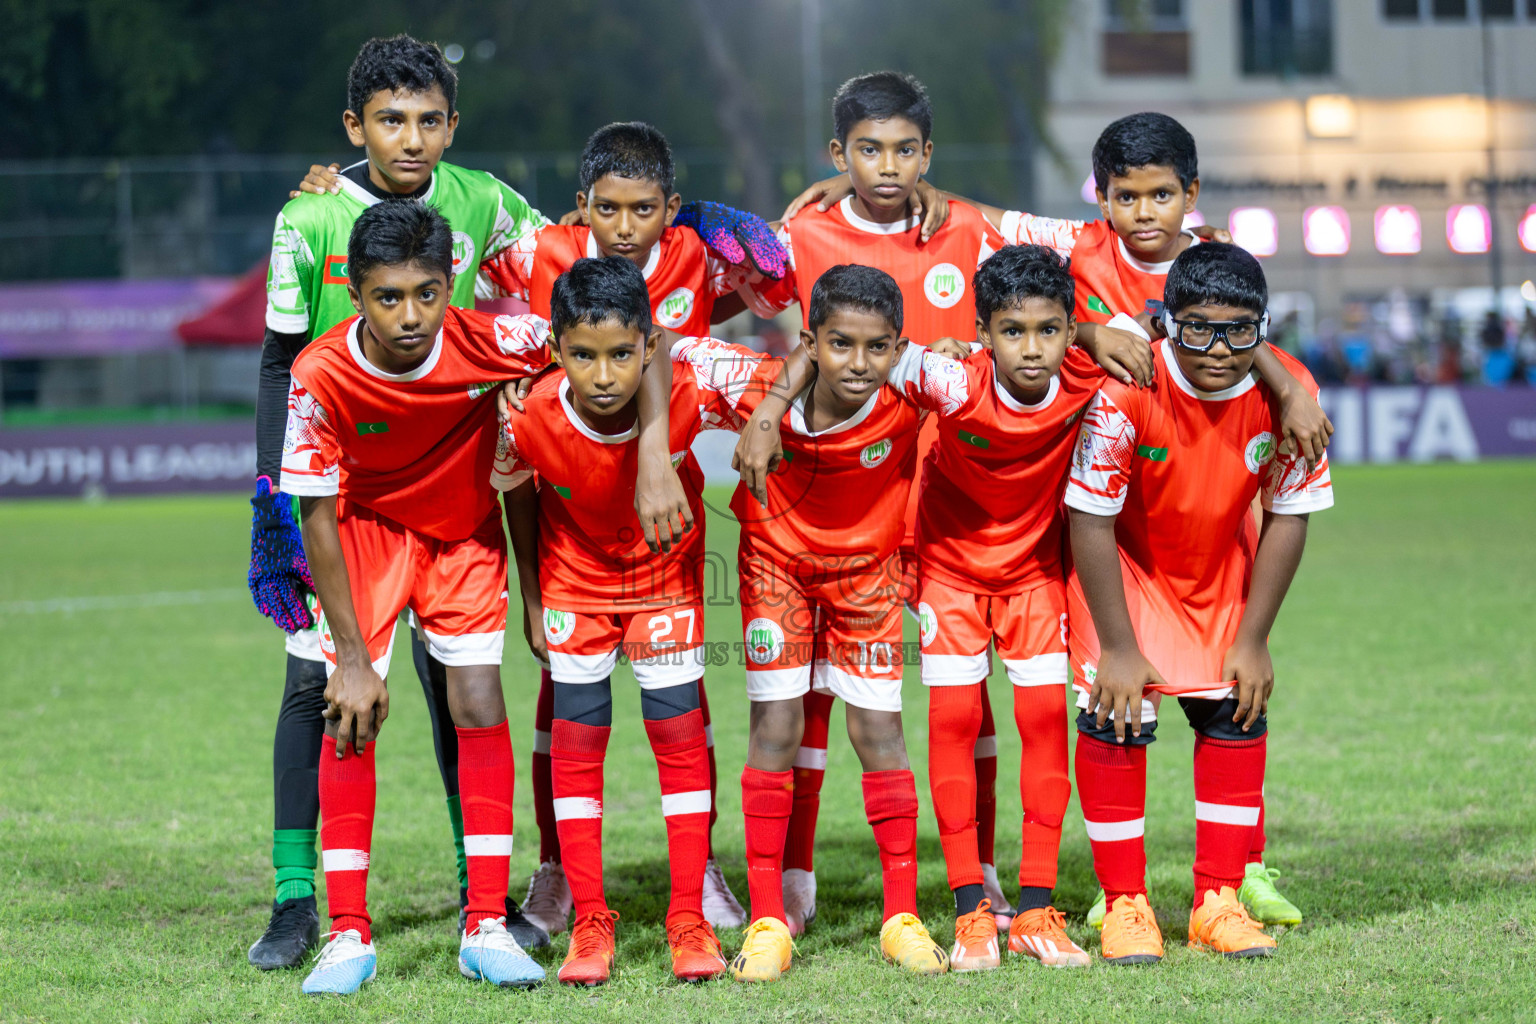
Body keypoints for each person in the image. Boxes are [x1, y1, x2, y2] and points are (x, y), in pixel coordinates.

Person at [791, 110, 1329, 927]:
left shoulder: (1215, 259)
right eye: (1127, 197)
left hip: (1195, 511)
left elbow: (1229, 325)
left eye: (1162, 197)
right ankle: (1087, 894)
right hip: (1087, 513)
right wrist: (858, 187)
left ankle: (1235, 877)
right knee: (1070, 708)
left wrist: (1284, 381)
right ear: (1102, 198)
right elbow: (979, 218)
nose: (1146, 214)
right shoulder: (1078, 245)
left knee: (1226, 699)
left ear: (1190, 195)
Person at [246, 33, 555, 969]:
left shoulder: (487, 203)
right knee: (323, 686)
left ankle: (482, 897)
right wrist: (273, 491)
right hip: (338, 486)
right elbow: (277, 361)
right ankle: (303, 902)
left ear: (451, 126)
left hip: (450, 486)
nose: (411, 139)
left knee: (457, 686)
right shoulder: (308, 218)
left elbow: (575, 270)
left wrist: (681, 221)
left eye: (428, 121)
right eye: (390, 120)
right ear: (356, 127)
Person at [734, 71, 1021, 932]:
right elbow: (696, 276)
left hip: (953, 498)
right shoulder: (803, 229)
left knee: (964, 697)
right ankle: (792, 871)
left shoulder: (967, 226)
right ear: (839, 154)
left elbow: (1075, 255)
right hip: (850, 496)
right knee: (809, 696)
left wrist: (1195, 246)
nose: (887, 166)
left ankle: (982, 870)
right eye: (868, 150)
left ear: (927, 156)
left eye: (903, 151)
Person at [683, 265, 972, 982]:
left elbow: (1018, 356)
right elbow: (660, 346)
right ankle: (767, 921)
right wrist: (762, 410)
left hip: (867, 582)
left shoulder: (912, 384)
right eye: (840, 345)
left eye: (878, 348)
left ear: (899, 348)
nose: (859, 363)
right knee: (776, 729)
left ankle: (901, 916)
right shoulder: (745, 379)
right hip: (773, 575)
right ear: (809, 342)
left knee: (880, 733)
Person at [1065, 243, 1333, 965]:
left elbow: (1291, 512)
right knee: (1118, 715)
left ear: (1265, 328)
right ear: (1168, 324)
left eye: (1241, 330)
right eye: (1199, 328)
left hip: (1218, 577)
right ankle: (1125, 904)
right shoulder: (1128, 387)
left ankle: (1217, 901)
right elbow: (1088, 518)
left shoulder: (1289, 395)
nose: (1219, 348)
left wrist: (1256, 636)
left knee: (1237, 713)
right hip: (1119, 579)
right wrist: (1118, 648)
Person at [492, 256, 736, 986]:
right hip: (573, 588)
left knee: (679, 742)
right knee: (577, 751)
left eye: (621, 355)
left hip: (665, 585)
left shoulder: (690, 389)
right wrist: (533, 598)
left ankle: (688, 919)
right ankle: (591, 919)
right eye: (583, 356)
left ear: (649, 347)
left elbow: (790, 372)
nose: (603, 375)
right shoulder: (529, 412)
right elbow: (519, 496)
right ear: (556, 350)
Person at [910, 245, 1107, 972]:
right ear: (983, 332)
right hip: (950, 578)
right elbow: (865, 360)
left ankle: (1033, 909)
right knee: (954, 724)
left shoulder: (1087, 372)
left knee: (1044, 723)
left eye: (1049, 330)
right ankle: (970, 912)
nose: (1033, 348)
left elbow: (1166, 335)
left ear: (1069, 331)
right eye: (1013, 331)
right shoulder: (951, 379)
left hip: (1033, 579)